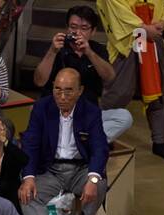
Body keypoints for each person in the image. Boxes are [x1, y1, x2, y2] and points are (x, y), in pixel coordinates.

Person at [19, 68, 110, 215]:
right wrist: (28, 177)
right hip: (50, 169)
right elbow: (30, 143)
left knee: (99, 183)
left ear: (80, 90)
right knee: (26, 194)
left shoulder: (91, 111)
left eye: (68, 90)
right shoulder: (42, 107)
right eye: (57, 89)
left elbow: (100, 148)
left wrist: (92, 180)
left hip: (80, 169)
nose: (62, 96)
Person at [33, 6, 133, 142]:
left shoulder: (97, 49)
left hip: (87, 113)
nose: (77, 32)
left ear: (93, 31)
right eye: (73, 27)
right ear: (67, 28)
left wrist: (89, 52)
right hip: (58, 112)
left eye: (84, 28)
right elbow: (39, 81)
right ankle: (85, 142)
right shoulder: (56, 47)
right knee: (39, 113)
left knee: (124, 117)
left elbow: (110, 77)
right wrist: (52, 51)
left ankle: (80, 142)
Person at [97, 0, 164, 161]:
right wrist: (143, 28)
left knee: (159, 91)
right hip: (127, 37)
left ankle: (159, 141)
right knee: (118, 91)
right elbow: (114, 5)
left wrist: (161, 23)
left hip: (155, 35)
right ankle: (103, 134)